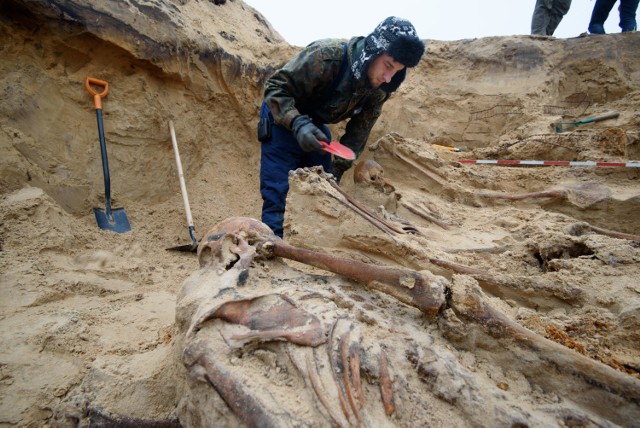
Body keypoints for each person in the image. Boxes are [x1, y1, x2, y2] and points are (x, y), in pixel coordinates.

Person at [257, 16, 425, 238]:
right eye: (387, 66)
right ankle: (272, 245)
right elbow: (275, 87)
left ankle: (305, 241)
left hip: (315, 124)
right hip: (283, 113)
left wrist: (335, 172)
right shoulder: (327, 56)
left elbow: (358, 135)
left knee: (323, 185)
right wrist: (297, 123)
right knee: (278, 187)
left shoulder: (379, 90)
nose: (388, 77)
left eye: (396, 71)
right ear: (374, 50)